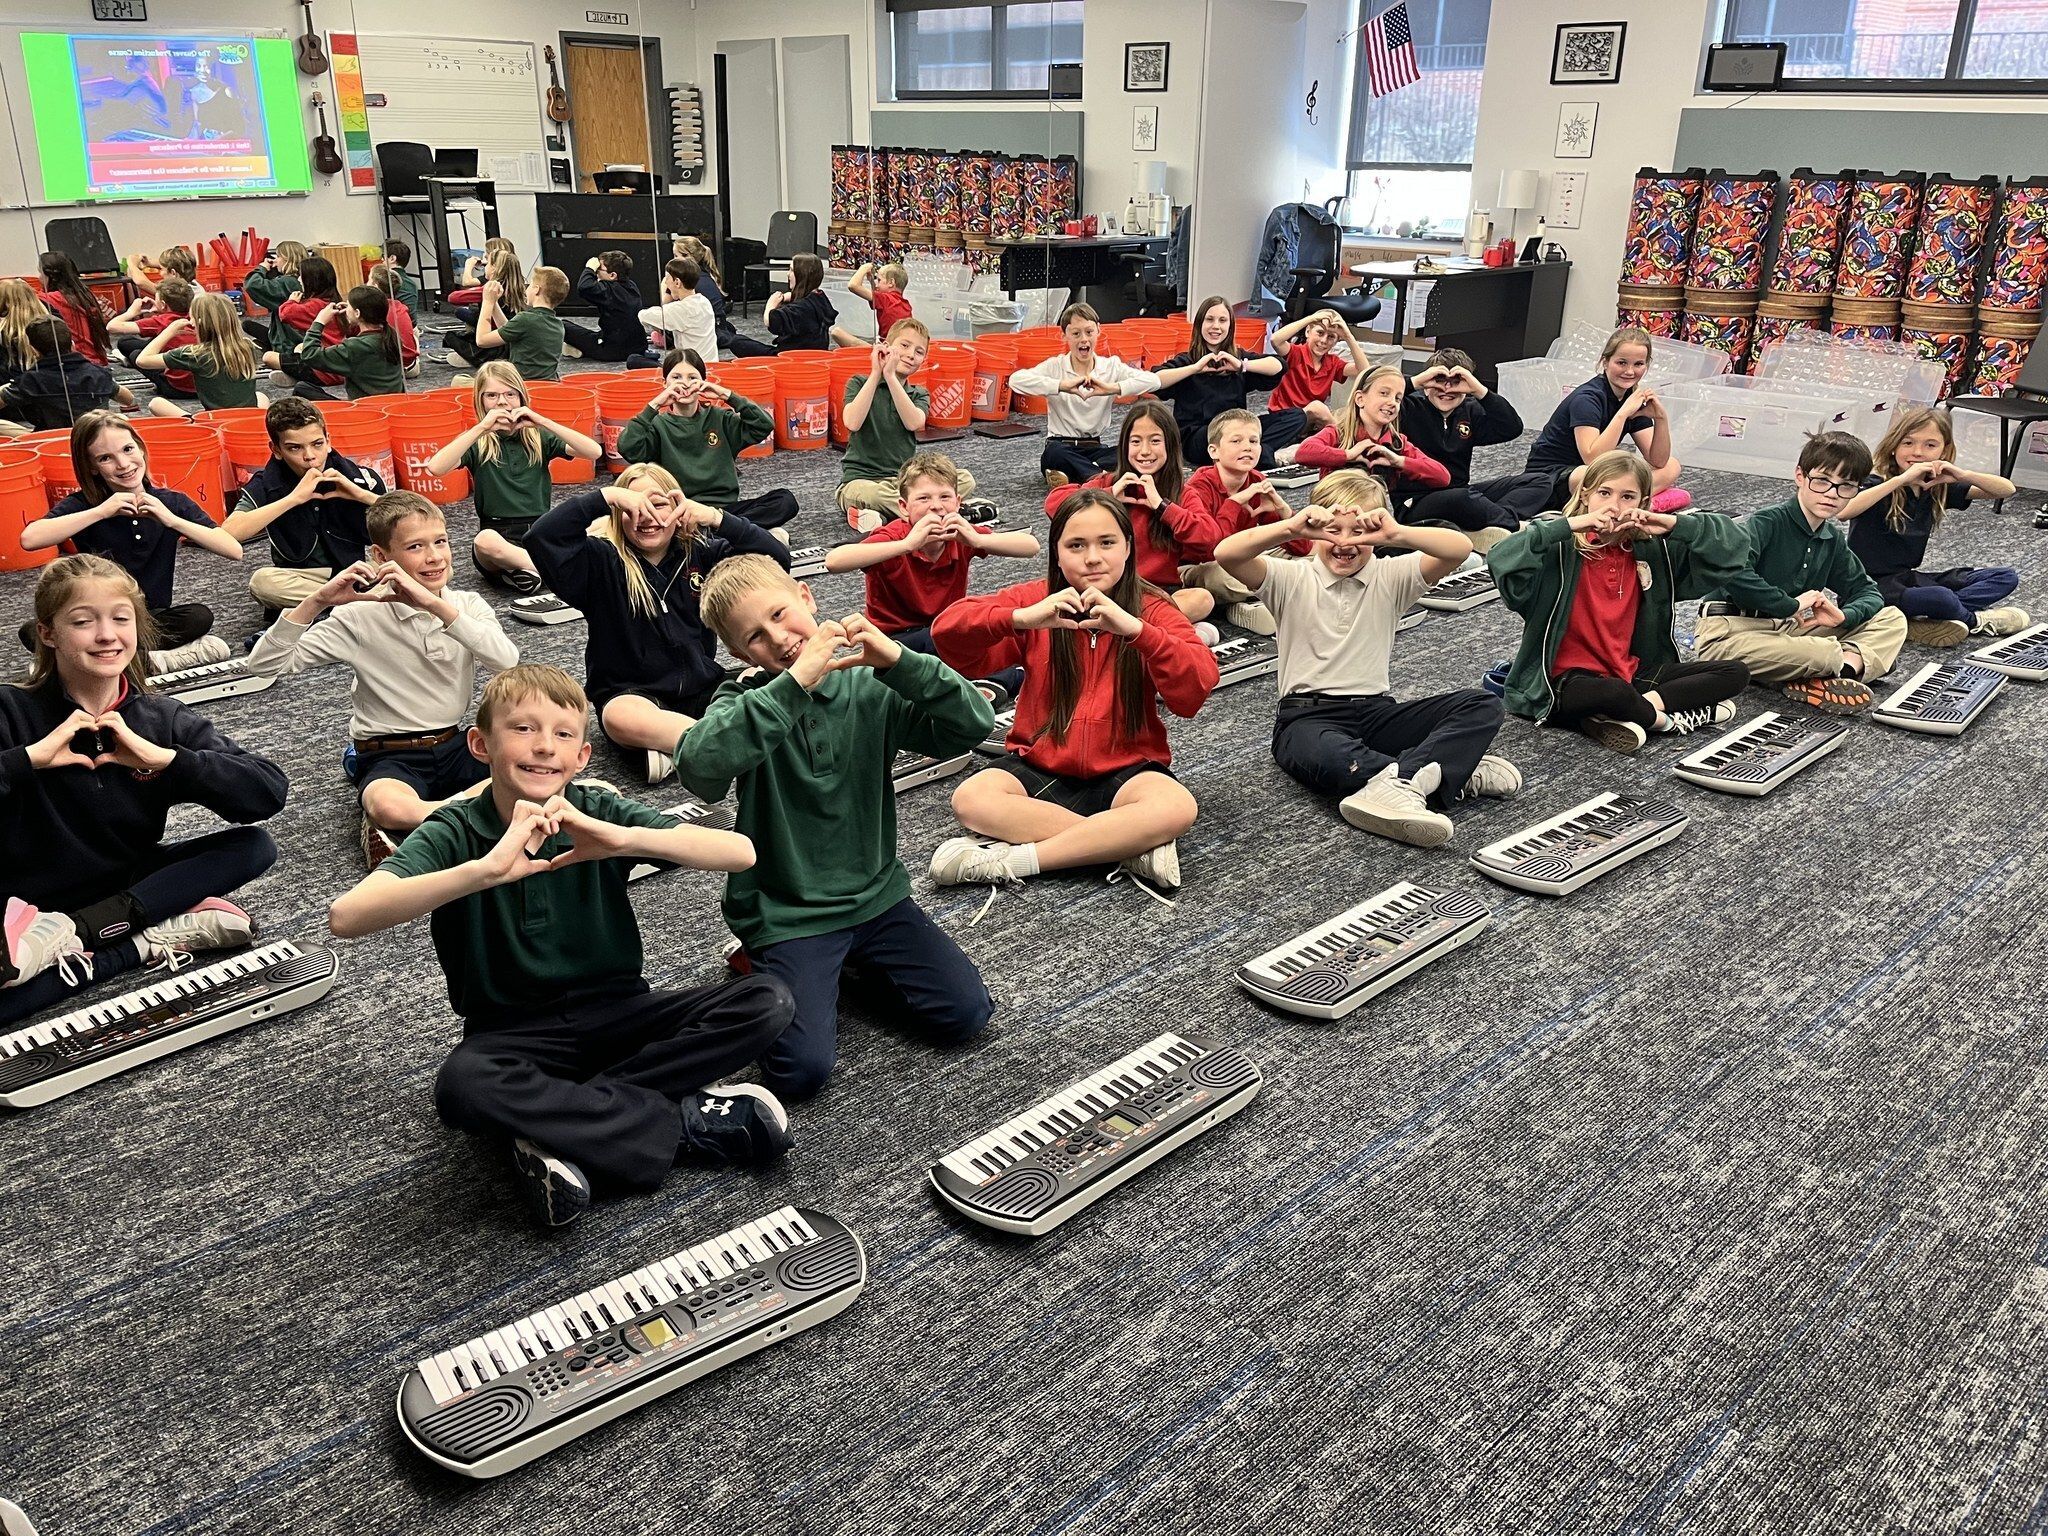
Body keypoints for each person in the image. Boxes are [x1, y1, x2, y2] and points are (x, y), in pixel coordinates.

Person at [328, 664, 794, 1228]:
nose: (544, 747)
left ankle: (565, 1123)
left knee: (766, 1000)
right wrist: (482, 872)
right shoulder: (454, 829)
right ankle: (681, 1122)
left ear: (582, 757)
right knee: (462, 1088)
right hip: (513, 1032)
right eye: (523, 729)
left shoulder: (595, 809)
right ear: (481, 745)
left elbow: (740, 852)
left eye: (564, 734)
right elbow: (346, 917)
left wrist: (623, 839)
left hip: (621, 1012)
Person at [681, 557, 995, 1102]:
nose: (779, 638)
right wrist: (794, 685)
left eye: (780, 614)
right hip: (788, 915)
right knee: (800, 1073)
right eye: (755, 636)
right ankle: (770, 966)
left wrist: (902, 660)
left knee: (965, 1015)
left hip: (878, 898)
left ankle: (842, 970)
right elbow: (700, 768)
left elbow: (971, 725)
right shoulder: (741, 702)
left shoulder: (869, 686)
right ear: (738, 654)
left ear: (807, 596)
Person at [1, 554, 286, 1027]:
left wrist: (168, 762)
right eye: (82, 621)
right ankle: (144, 941)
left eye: (120, 618)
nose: (107, 635)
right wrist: (27, 760)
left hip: (126, 884)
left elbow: (266, 792)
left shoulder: (161, 718)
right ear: (47, 634)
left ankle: (82, 936)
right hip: (23, 900)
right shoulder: (10, 708)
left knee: (254, 846)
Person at [929, 489, 1220, 896]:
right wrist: (1021, 618)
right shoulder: (1037, 598)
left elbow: (1196, 688)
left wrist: (1138, 632)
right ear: (1057, 552)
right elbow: (949, 634)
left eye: (1107, 542)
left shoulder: (1153, 608)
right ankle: (1124, 847)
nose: (1093, 557)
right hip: (1040, 765)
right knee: (972, 798)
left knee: (1176, 807)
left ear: (1128, 547)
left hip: (1126, 770)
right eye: (1076, 545)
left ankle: (1017, 862)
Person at [1214, 470, 1515, 845]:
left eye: (1359, 532)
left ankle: (1409, 778)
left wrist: (1397, 534)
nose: (1344, 542)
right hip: (1307, 718)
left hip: (1377, 714)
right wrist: (1291, 528)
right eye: (1333, 530)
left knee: (1482, 704)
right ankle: (1439, 769)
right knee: (1332, 756)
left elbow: (1457, 549)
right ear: (1315, 529)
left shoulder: (1391, 576)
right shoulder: (1289, 578)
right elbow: (1225, 553)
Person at [250, 491, 519, 866]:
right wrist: (317, 602)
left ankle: (434, 819)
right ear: (381, 557)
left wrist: (434, 605)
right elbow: (265, 666)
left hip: (454, 741)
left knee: (534, 769)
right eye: (415, 546)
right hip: (391, 752)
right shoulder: (361, 616)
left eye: (440, 541)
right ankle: (465, 814)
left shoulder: (467, 604)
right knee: (387, 804)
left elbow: (506, 661)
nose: (434, 557)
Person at [527, 464, 792, 785]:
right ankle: (718, 739)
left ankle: (680, 747)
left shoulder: (703, 555)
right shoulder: (598, 562)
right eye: (632, 506)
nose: (646, 515)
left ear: (680, 508)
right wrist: (606, 495)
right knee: (618, 717)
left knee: (762, 677)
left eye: (658, 503)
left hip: (703, 686)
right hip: (634, 695)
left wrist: (714, 517)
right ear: (617, 515)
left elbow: (776, 561)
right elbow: (541, 537)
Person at [1492, 450, 1752, 752]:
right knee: (1612, 694)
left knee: (1735, 673)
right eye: (1605, 493)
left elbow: (1735, 547)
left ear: (1642, 504)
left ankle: (1625, 713)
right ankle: (1663, 721)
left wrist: (1672, 524)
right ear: (1586, 495)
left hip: (1630, 671)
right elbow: (1501, 558)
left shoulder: (1652, 551)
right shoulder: (1559, 547)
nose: (1614, 506)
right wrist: (1572, 524)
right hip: (1565, 680)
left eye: (1628, 497)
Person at [1694, 431, 1908, 714]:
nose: (1832, 493)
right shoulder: (1765, 523)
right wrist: (1791, 605)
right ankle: (1851, 662)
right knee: (1824, 652)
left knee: (1891, 618)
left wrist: (1845, 615)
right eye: (1822, 481)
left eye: (1846, 486)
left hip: (1790, 630)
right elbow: (1732, 573)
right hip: (1730, 632)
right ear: (1800, 476)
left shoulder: (1830, 537)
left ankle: (1837, 672)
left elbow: (1867, 591)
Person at [22, 411, 242, 667]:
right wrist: (101, 511)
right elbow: (30, 539)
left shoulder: (170, 502)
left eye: (128, 449)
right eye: (106, 458)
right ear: (92, 467)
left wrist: (172, 520)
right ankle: (149, 660)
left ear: (141, 448)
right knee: (32, 631)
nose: (123, 464)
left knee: (198, 617)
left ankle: (98, 659)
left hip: (149, 617)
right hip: (98, 617)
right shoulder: (84, 504)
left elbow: (233, 550)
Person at [824, 450, 1038, 691]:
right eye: (924, 499)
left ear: (958, 503)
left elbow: (1031, 547)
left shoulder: (960, 535)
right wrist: (906, 546)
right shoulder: (895, 536)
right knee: (945, 645)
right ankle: (991, 681)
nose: (936, 507)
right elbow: (834, 561)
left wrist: (978, 541)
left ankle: (977, 683)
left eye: (945, 497)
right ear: (904, 508)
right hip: (894, 640)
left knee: (995, 622)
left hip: (945, 631)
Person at [1839, 405, 2030, 646]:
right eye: (1908, 443)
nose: (1917, 452)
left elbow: (2006, 490)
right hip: (1867, 587)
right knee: (1941, 598)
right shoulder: (1876, 483)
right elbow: (1844, 511)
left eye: (1930, 445)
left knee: (2004, 577)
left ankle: (1918, 619)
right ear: (1894, 446)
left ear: (1944, 449)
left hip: (1907, 579)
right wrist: (1901, 480)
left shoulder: (1936, 486)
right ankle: (1974, 621)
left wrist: (1962, 475)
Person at [1038, 400, 1223, 635]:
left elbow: (1210, 538)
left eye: (1155, 441)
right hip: (1106, 589)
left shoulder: (1182, 493)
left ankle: (1124, 628)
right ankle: (1161, 631)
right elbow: (1054, 503)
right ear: (1124, 446)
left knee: (1201, 599)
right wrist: (1109, 495)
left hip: (1153, 594)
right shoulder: (1108, 483)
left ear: (1170, 446)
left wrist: (1162, 506)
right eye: (1136, 442)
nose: (1145, 451)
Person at [425, 362, 602, 594]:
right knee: (484, 540)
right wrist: (481, 428)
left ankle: (524, 572)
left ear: (521, 398)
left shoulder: (539, 438)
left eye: (510, 394)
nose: (501, 401)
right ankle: (558, 570)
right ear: (480, 401)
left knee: (600, 523)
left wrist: (543, 421)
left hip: (541, 530)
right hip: (499, 535)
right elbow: (436, 467)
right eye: (491, 395)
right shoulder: (478, 442)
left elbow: (593, 452)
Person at [224, 397, 386, 615]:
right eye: (295, 448)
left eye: (317, 444)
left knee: (409, 559)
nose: (309, 456)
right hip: (304, 576)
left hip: (357, 568)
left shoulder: (358, 476)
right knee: (262, 583)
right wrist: (293, 499)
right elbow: (228, 533)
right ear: (277, 450)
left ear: (328, 441)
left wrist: (361, 495)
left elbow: (419, 517)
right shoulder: (267, 483)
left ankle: (335, 604)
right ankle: (360, 603)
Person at [615, 347, 796, 530]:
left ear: (703, 382)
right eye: (676, 377)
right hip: (682, 513)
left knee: (784, 501)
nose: (684, 384)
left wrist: (727, 395)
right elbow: (628, 448)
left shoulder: (720, 418)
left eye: (692, 377)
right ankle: (737, 535)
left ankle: (719, 536)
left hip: (723, 512)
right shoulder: (657, 425)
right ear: (665, 383)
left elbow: (763, 425)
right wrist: (654, 405)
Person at [1523, 324, 1689, 513]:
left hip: (1596, 476)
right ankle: (1634, 503)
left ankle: (1628, 503)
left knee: (1671, 465)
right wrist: (1623, 414)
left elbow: (1658, 460)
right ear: (1605, 362)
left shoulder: (1631, 397)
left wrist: (1661, 418)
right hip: (1551, 476)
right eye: (1621, 362)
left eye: (1638, 364)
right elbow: (1592, 458)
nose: (1629, 371)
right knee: (1596, 477)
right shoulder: (1587, 399)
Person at [1397, 349, 1553, 547]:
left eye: (1456, 383)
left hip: (1462, 490)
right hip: (1417, 499)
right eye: (1438, 381)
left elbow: (1512, 428)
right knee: (1462, 499)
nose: (1447, 389)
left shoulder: (1470, 410)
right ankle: (1509, 525)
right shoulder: (1409, 407)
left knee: (1541, 481)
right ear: (1427, 384)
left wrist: (1480, 390)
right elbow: (1378, 396)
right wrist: (1415, 382)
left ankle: (1488, 522)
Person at [837, 320, 982, 530]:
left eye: (919, 351)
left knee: (965, 478)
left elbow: (913, 422)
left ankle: (891, 516)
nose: (911, 354)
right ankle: (945, 512)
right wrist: (878, 373)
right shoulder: (859, 383)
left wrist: (891, 377)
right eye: (904, 346)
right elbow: (852, 422)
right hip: (862, 480)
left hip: (905, 482)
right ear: (887, 345)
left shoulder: (918, 393)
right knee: (874, 494)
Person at [1168, 409, 1301, 636]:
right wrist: (1235, 502)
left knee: (1312, 555)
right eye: (1236, 441)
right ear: (1214, 451)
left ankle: (1240, 604)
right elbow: (1213, 548)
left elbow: (1299, 546)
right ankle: (1271, 594)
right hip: (1199, 567)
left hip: (1243, 562)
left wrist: (1283, 509)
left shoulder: (1258, 481)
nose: (1247, 447)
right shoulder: (1197, 487)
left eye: (1254, 441)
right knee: (1221, 577)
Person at [1008, 302, 1162, 489]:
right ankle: (1099, 477)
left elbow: (1153, 381)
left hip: (1096, 447)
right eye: (1076, 334)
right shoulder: (1055, 366)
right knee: (1054, 455)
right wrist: (1061, 386)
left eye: (1089, 332)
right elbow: (1016, 380)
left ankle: (1079, 475)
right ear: (1064, 335)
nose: (1084, 339)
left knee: (1128, 451)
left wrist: (1111, 388)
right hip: (1061, 444)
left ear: (1098, 331)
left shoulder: (1110, 366)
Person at [1151, 295, 1283, 470]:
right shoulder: (1187, 360)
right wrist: (1194, 369)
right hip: (1198, 437)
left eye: (1222, 320)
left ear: (1230, 325)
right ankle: (1262, 455)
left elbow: (1279, 366)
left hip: (1238, 432)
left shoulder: (1237, 358)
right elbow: (1154, 380)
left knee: (1295, 417)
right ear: (1200, 324)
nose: (1216, 326)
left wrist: (1240, 365)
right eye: (1210, 320)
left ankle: (1246, 453)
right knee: (1227, 438)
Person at [1294, 364, 1451, 512]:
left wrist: (1399, 461)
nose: (1392, 403)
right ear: (1360, 399)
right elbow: (1303, 453)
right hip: (1335, 512)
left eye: (1398, 398)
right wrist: (1347, 455)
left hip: (1374, 518)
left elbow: (1443, 477)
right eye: (1384, 393)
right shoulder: (1339, 432)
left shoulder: (1397, 442)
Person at [1263, 309, 1369, 470]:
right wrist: (1310, 318)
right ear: (1308, 331)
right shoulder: (1296, 352)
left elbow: (1365, 372)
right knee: (1318, 408)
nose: (1324, 340)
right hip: (1286, 420)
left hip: (1309, 424)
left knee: (1347, 415)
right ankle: (1348, 448)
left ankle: (1311, 450)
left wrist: (1348, 336)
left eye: (1331, 337)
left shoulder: (1332, 362)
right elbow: (1276, 339)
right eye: (1319, 333)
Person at [265, 284, 405, 401]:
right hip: (392, 404)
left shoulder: (355, 346)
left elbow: (309, 355)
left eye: (349, 306)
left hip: (367, 409)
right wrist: (352, 312)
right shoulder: (391, 336)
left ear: (357, 313)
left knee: (302, 389)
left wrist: (319, 321)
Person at [139, 292, 262, 416]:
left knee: (156, 403)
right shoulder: (248, 347)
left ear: (197, 323)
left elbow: (142, 360)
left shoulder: (195, 354)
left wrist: (169, 331)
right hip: (248, 418)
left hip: (214, 422)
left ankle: (192, 422)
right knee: (261, 396)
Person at [0, 318, 123, 438]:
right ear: (72, 344)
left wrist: (9, 386)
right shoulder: (98, 373)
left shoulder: (31, 380)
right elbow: (128, 399)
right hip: (95, 436)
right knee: (120, 419)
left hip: (51, 439)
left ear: (34, 350)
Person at [454, 264, 567, 382]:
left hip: (521, 385)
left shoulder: (525, 319)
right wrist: (494, 303)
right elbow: (508, 329)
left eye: (530, 286)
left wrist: (487, 302)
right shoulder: (557, 324)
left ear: (536, 289)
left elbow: (481, 340)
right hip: (549, 383)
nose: (526, 289)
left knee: (459, 381)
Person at [109, 277, 196, 394]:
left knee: (135, 353)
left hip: (174, 388)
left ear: (164, 304)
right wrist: (161, 310)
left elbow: (111, 326)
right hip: (200, 387)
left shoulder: (161, 321)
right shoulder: (195, 317)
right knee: (128, 342)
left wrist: (131, 312)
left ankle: (163, 381)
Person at [630, 257, 717, 369]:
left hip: (691, 367)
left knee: (633, 360)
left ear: (677, 282)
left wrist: (663, 291)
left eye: (667, 278)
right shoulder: (704, 301)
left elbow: (643, 316)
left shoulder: (681, 309)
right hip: (710, 364)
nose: (666, 282)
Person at [562, 251, 646, 363]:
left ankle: (580, 349)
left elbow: (584, 287)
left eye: (599, 270)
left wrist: (589, 269)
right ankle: (578, 349)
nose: (597, 273)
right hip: (638, 349)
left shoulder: (608, 290)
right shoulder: (632, 286)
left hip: (611, 351)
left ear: (612, 275)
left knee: (561, 325)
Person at [36, 252, 113, 368]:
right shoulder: (84, 293)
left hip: (74, 363)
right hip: (96, 360)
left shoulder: (48, 299)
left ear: (50, 276)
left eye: (40, 273)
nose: (39, 277)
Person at [760, 253, 837, 355]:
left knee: (737, 342)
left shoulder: (801, 307)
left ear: (802, 274)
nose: (788, 274)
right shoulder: (819, 297)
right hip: (814, 353)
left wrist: (770, 304)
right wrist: (789, 296)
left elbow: (771, 321)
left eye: (792, 270)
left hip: (792, 357)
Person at [829, 260, 912, 349]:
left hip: (887, 350)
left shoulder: (885, 299)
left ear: (891, 283)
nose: (877, 284)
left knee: (836, 332)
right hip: (900, 348)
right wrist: (871, 281)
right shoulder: (905, 304)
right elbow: (877, 292)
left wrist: (863, 268)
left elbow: (853, 285)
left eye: (879, 280)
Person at [242, 240, 305, 350]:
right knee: (248, 325)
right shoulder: (298, 281)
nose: (275, 260)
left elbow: (253, 284)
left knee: (247, 327)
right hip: (297, 335)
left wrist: (262, 268)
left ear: (287, 259)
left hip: (288, 341)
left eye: (278, 256)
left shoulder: (287, 282)